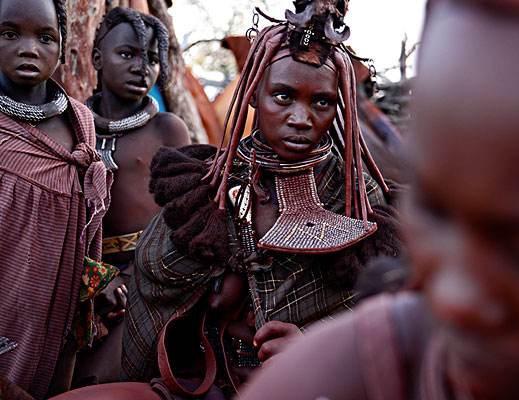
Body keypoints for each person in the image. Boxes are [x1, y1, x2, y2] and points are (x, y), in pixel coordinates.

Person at [238, 1, 519, 399]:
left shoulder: (358, 195)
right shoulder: (347, 372)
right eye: (435, 210)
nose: (451, 298)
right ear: (254, 95)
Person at [122, 1, 403, 398]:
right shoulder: (214, 182)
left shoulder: (355, 193)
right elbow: (155, 272)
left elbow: (382, 312)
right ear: (254, 95)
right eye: (284, 96)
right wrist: (219, 272)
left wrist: (311, 346)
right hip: (209, 374)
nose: (301, 118)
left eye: (321, 102)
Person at [72, 7, 191, 386]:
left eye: (153, 58)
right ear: (96, 59)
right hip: (82, 272)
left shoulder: (167, 130)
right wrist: (93, 278)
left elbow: (182, 217)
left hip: (148, 277)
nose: (142, 67)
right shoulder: (73, 125)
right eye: (127, 54)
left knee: (108, 376)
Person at [0, 0, 111, 398]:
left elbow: (82, 219)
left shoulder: (80, 122)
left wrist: (94, 280)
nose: (29, 48)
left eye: (45, 37)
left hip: (59, 302)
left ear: (62, 46)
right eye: (10, 34)